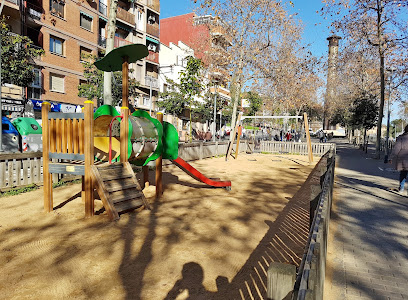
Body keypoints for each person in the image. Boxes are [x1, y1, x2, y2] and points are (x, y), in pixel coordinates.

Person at [389, 124, 408, 195]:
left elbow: (396, 149)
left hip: (403, 160)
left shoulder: (401, 138)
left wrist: (391, 157)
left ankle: (401, 188)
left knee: (403, 174)